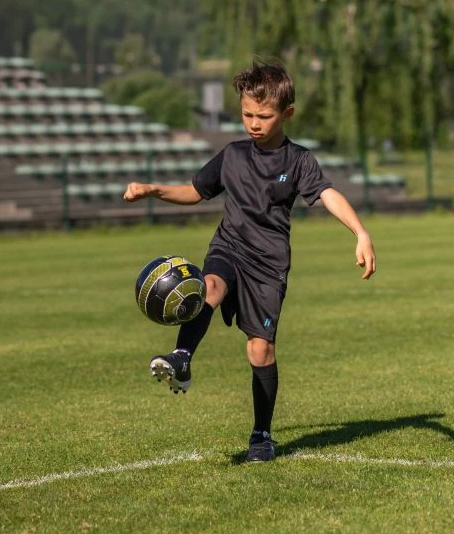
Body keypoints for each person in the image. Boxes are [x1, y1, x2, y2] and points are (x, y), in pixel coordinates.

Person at [123, 62, 376, 463]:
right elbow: (195, 191)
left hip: (268, 266)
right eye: (247, 115)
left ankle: (261, 434)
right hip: (229, 247)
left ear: (287, 114)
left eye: (264, 116)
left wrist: (360, 232)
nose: (254, 124)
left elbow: (327, 194)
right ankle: (182, 356)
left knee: (260, 351)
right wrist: (154, 189)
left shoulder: (298, 160)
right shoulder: (232, 155)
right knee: (209, 286)